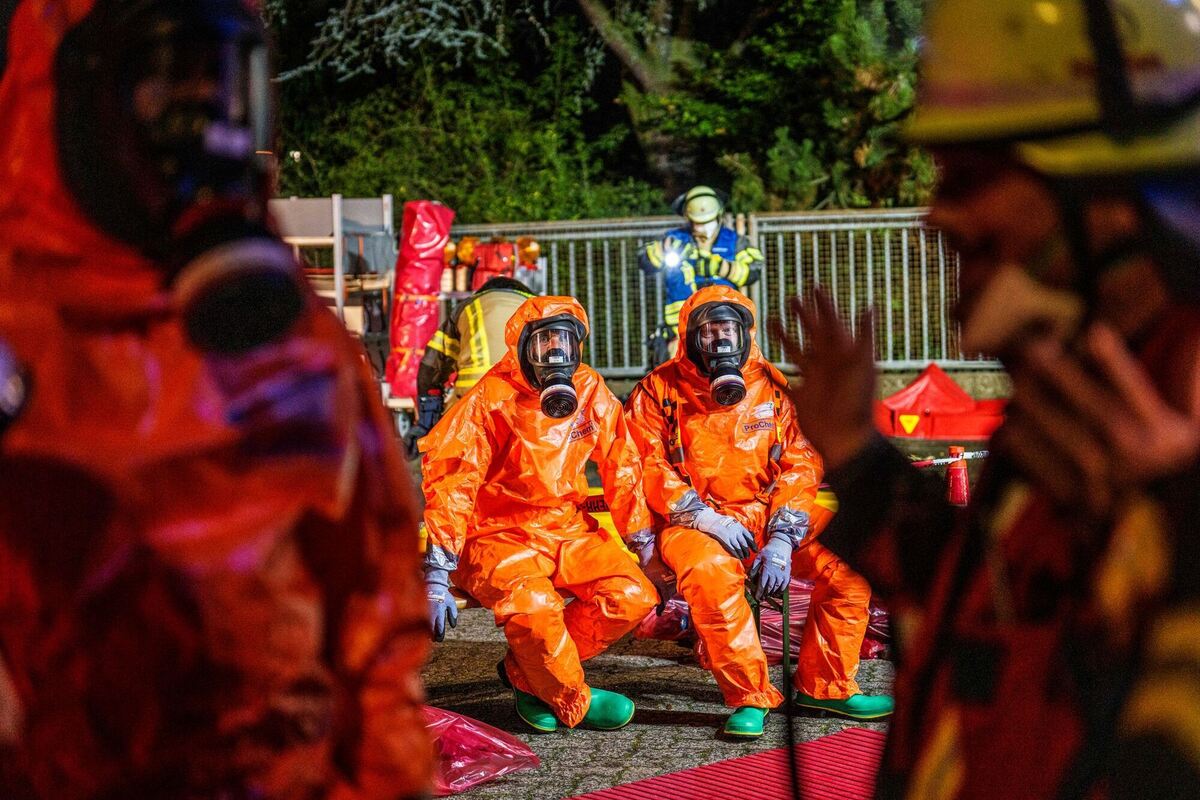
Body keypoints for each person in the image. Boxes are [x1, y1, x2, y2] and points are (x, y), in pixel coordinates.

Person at [0, 2, 432, 798]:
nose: (208, 125)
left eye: (223, 85)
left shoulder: (292, 340)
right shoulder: (17, 341)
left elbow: (374, 635)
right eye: (168, 87)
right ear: (76, 96)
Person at [775, 1, 1200, 796]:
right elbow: (975, 606)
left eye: (971, 177)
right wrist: (858, 461)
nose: (939, 214)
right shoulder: (1080, 403)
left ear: (1108, 193)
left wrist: (1185, 542)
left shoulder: (1178, 397)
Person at [623, 285, 893, 738]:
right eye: (708, 331)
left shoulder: (771, 385)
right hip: (694, 522)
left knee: (851, 559)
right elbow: (642, 462)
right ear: (690, 337)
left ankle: (826, 686)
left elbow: (801, 462)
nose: (720, 340)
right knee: (711, 576)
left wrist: (784, 538)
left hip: (769, 514)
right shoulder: (659, 389)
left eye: (728, 329)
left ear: (745, 333)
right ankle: (749, 695)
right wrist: (702, 517)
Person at [420, 295, 658, 733]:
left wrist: (642, 541)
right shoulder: (491, 398)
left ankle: (526, 672)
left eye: (564, 340)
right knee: (534, 605)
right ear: (522, 347)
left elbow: (622, 464)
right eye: (544, 340)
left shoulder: (589, 389)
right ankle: (571, 698)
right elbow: (454, 482)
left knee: (632, 595)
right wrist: (437, 572)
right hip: (496, 536)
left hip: (566, 528)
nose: (555, 351)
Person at [404, 276, 534, 459]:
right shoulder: (538, 307)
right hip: (524, 400)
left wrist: (426, 422)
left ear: (482, 294)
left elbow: (432, 365)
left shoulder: (466, 307)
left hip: (472, 399)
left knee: (458, 462)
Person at [639, 186, 764, 361]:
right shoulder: (674, 238)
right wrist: (665, 248)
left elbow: (754, 269)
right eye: (697, 222)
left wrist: (722, 267)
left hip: (725, 327)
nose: (702, 227)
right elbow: (644, 260)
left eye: (707, 221)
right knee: (677, 369)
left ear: (718, 216)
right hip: (681, 328)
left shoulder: (734, 241)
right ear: (688, 218)